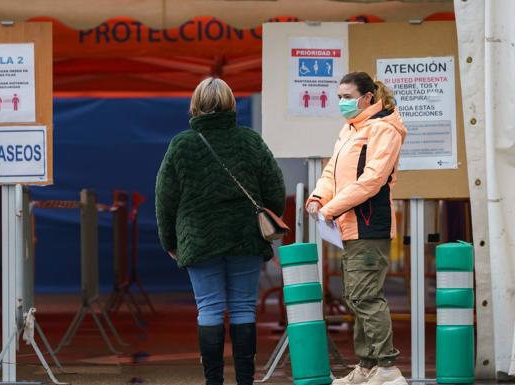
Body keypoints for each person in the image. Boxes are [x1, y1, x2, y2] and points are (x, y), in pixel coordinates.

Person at [155, 77, 285, 385]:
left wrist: (170, 242)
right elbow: (275, 190)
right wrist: (267, 217)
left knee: (209, 308)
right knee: (242, 308)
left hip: (199, 240)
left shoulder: (181, 144)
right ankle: (244, 381)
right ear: (231, 104)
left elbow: (164, 199)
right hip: (246, 238)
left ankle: (213, 381)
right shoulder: (250, 141)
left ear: (195, 105)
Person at [306, 72, 408, 385]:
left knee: (365, 296)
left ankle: (388, 368)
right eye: (338, 96)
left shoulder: (383, 129)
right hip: (349, 226)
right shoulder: (350, 129)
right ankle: (367, 367)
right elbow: (331, 170)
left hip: (368, 224)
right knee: (356, 296)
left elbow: (372, 179)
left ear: (366, 97)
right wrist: (317, 197)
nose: (341, 102)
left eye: (347, 96)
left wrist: (331, 208)